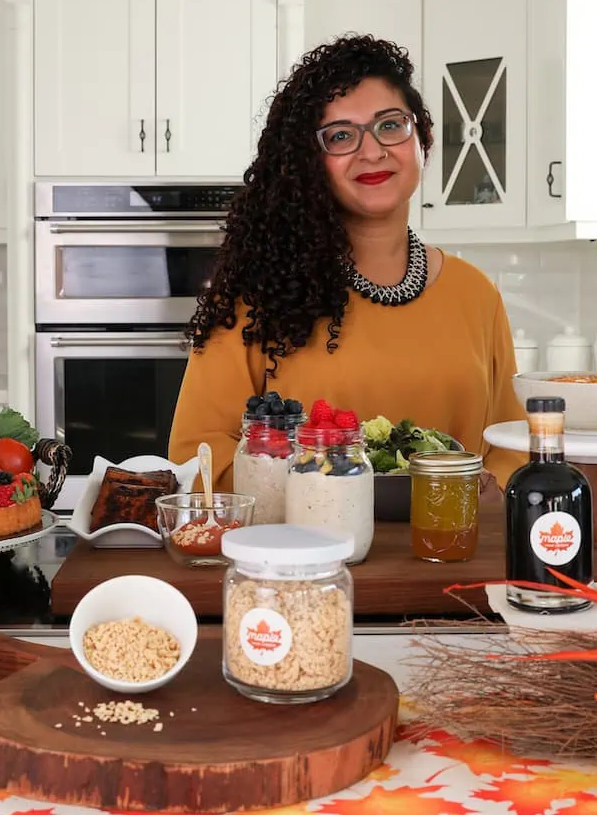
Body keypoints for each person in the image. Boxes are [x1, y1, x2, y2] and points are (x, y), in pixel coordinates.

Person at [168, 34, 525, 489]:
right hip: (302, 554)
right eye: (340, 136)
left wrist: (477, 491)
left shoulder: (476, 294)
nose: (372, 151)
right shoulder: (256, 294)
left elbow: (510, 446)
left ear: (424, 138)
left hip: (448, 549)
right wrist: (317, 491)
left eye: (390, 125)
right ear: (311, 162)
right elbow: (197, 452)